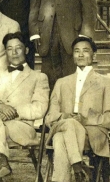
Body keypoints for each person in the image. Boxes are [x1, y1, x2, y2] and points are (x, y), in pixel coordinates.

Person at [0, 33, 49, 182]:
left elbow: (39, 108)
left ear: (26, 50)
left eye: (18, 48)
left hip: (22, 127)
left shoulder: (38, 77)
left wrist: (13, 112)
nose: (14, 53)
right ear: (5, 52)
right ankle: (1, 160)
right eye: (9, 49)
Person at [46, 36, 110, 182]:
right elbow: (50, 116)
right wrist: (65, 116)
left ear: (94, 55)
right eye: (76, 51)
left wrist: (86, 119)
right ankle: (77, 165)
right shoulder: (61, 83)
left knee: (59, 137)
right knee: (68, 124)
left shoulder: (106, 83)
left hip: (91, 134)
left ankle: (75, 168)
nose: (80, 54)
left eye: (85, 51)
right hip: (67, 127)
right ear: (73, 55)